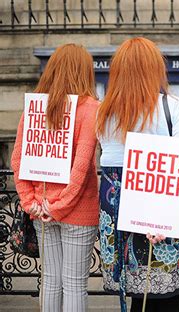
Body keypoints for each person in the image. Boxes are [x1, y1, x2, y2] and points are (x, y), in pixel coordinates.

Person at [96, 37, 179, 312]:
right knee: (169, 300)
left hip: (120, 214)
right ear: (155, 69)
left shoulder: (105, 113)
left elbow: (110, 168)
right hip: (166, 206)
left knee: (137, 298)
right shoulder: (173, 108)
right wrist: (160, 217)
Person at [11, 43, 100, 312]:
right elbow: (82, 167)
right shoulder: (91, 108)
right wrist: (59, 205)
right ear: (84, 71)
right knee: (74, 284)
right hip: (77, 210)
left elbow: (18, 159)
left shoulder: (35, 108)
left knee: (50, 282)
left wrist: (31, 202)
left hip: (41, 207)